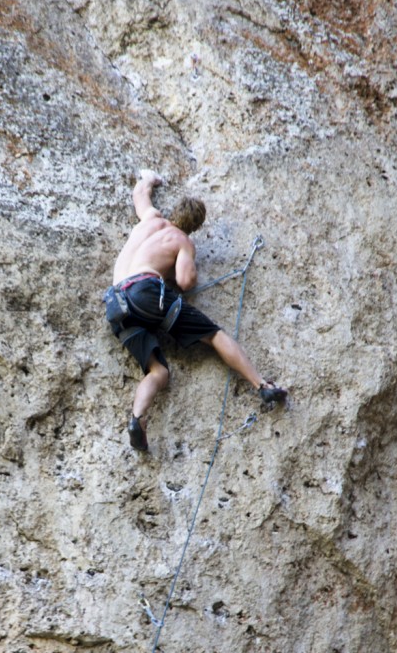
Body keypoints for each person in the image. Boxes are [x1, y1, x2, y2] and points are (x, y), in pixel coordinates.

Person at [108, 170, 287, 451]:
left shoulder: (151, 219)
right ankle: (262, 385)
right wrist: (187, 260)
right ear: (195, 227)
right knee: (214, 335)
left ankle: (137, 419)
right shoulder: (182, 241)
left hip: (115, 302)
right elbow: (185, 281)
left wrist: (149, 178)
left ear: (173, 212)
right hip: (145, 291)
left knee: (158, 372)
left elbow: (140, 194)